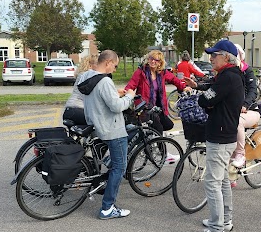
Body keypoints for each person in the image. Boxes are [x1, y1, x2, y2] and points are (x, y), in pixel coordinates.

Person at [184, 40, 244, 232]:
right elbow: (210, 96)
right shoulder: (229, 76)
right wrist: (209, 99)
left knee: (212, 183)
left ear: (226, 57)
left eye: (214, 55)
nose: (210, 58)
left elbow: (204, 99)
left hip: (220, 136)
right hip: (225, 134)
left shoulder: (228, 78)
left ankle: (217, 228)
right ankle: (224, 221)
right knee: (223, 180)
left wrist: (209, 102)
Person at [77, 50, 135, 220]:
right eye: (115, 66)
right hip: (112, 129)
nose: (115, 70)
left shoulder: (86, 76)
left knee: (114, 162)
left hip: (95, 125)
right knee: (119, 168)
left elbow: (97, 98)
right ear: (108, 62)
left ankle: (107, 167)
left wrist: (114, 94)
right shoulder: (105, 81)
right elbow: (116, 107)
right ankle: (107, 208)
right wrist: (129, 97)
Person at [125, 50, 188, 162]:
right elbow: (131, 85)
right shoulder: (141, 72)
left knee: (168, 124)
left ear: (160, 63)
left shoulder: (162, 73)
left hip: (158, 108)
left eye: (156, 60)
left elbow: (174, 80)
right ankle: (164, 154)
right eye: (151, 58)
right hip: (145, 108)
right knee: (158, 128)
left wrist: (184, 87)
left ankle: (147, 141)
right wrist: (125, 95)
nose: (153, 61)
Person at [229, 44, 259, 188]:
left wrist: (245, 104)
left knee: (237, 122)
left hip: (250, 110)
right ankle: (231, 176)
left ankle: (240, 154)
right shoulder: (228, 71)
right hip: (233, 110)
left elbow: (253, 90)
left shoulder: (247, 71)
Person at [63, 54, 99, 125]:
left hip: (71, 109)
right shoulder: (88, 76)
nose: (100, 66)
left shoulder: (82, 75)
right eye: (98, 64)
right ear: (90, 65)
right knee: (101, 123)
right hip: (78, 108)